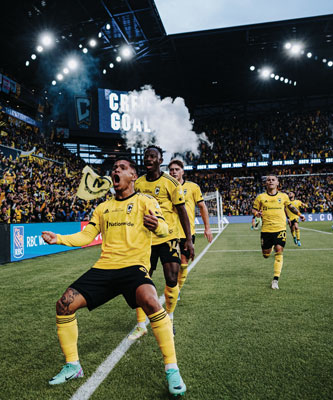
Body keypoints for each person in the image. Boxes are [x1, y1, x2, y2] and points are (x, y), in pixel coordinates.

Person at [41, 157, 187, 396]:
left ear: (133, 176)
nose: (115, 171)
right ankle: (73, 365)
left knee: (151, 301)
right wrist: (59, 238)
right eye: (114, 169)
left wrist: (156, 226)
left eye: (122, 168)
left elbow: (163, 228)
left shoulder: (145, 200)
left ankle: (172, 369)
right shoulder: (102, 207)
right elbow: (86, 236)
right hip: (105, 268)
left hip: (133, 268)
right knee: (64, 305)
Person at [129, 146, 193, 340]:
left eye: (152, 156)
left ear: (160, 160)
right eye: (146, 156)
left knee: (172, 278)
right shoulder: (138, 183)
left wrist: (188, 240)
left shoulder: (170, 183)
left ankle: (169, 317)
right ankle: (141, 324)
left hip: (168, 237)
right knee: (140, 281)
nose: (148, 159)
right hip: (145, 240)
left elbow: (182, 211)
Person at [252, 174, 305, 290]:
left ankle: (275, 280)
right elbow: (254, 209)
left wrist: (300, 215)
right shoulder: (260, 197)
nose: (270, 181)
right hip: (266, 230)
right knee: (266, 255)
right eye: (268, 180)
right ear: (266, 183)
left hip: (280, 228)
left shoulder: (284, 196)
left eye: (273, 180)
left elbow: (290, 207)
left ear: (277, 183)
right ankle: (269, 249)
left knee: (279, 251)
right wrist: (257, 214)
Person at [168, 158, 213, 289]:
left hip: (186, 232)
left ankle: (177, 289)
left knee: (183, 264)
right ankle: (173, 288)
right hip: (169, 232)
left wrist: (207, 228)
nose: (174, 172)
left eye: (177, 169)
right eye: (171, 170)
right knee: (171, 264)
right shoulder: (166, 186)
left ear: (182, 171)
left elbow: (202, 207)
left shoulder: (193, 187)